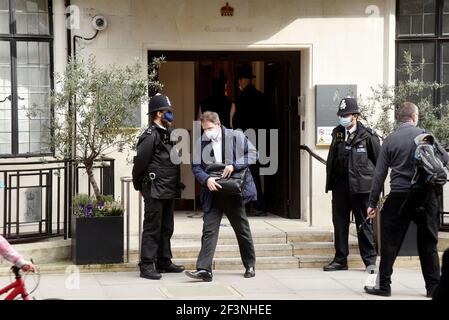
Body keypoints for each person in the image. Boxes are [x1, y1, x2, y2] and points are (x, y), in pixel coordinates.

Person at [364, 102, 449, 297]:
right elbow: (444, 159)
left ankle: (384, 285)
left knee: (390, 242)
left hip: (400, 196)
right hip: (426, 195)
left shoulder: (390, 140)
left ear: (399, 118)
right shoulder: (426, 136)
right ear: (415, 117)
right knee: (428, 242)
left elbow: (379, 174)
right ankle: (433, 288)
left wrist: (372, 202)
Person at [185, 111, 257, 281]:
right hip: (212, 192)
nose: (206, 132)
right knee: (208, 231)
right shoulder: (201, 142)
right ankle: (204, 270)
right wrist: (206, 178)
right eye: (204, 129)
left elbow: (253, 154)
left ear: (218, 125)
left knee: (242, 230)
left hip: (232, 191)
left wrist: (234, 165)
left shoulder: (235, 136)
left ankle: (250, 264)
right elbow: (196, 167)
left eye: (209, 128)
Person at [132, 93, 185, 280]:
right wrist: (139, 185)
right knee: (153, 227)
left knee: (166, 227)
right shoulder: (150, 136)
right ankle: (146, 265)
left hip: (168, 188)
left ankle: (164, 261)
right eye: (167, 111)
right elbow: (140, 163)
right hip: (154, 189)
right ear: (158, 114)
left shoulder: (169, 133)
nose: (170, 114)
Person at [324, 97, 379, 272]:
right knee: (339, 224)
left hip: (361, 188)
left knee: (363, 225)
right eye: (341, 114)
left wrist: (375, 193)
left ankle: (369, 261)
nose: (343, 118)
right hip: (340, 187)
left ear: (355, 115)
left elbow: (379, 163)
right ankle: (340, 259)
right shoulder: (337, 133)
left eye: (346, 114)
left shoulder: (368, 136)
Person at [233, 66, 268, 216]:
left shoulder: (242, 98)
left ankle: (257, 204)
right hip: (260, 139)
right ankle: (256, 204)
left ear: (242, 80)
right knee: (254, 173)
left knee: (249, 174)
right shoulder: (261, 96)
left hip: (246, 141)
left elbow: (238, 121)